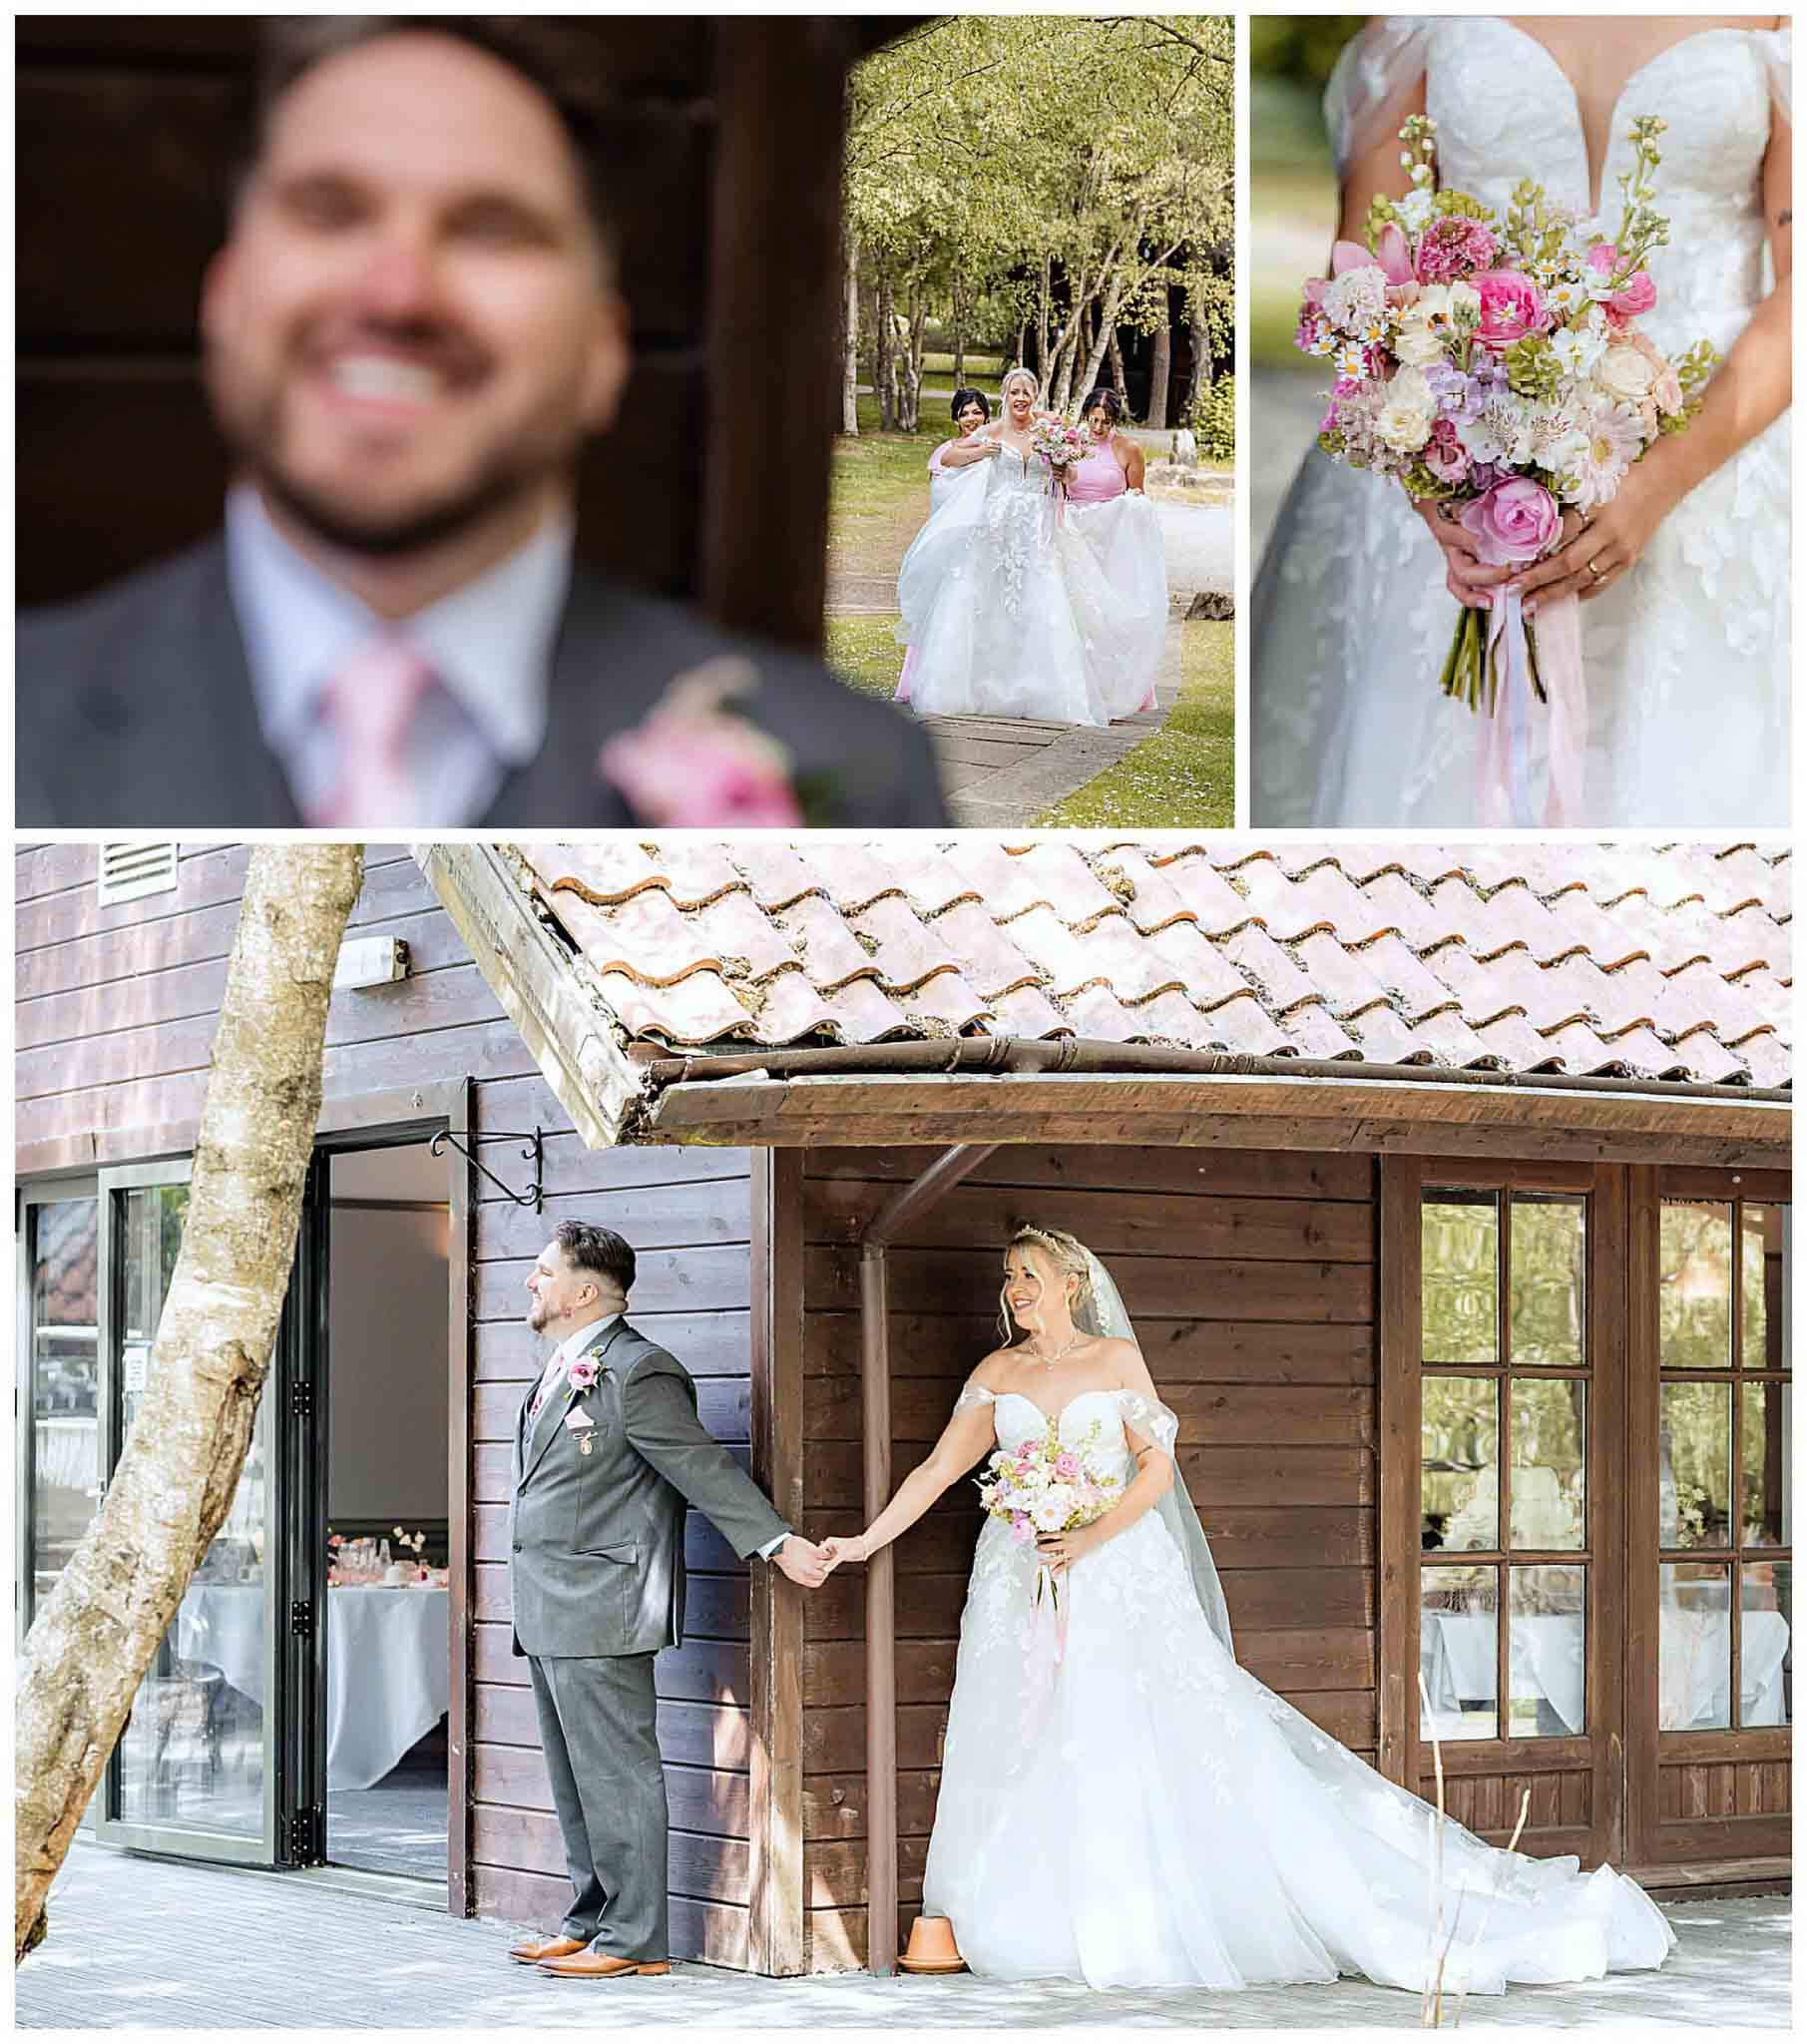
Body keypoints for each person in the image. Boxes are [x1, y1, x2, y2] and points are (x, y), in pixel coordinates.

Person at [16, 17, 946, 828]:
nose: (398, 293)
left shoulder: (858, 775)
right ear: (222, 298)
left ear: (602, 350)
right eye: (330, 212)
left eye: (489, 228)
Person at [818, 1226, 1677, 1993]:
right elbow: (937, 1471)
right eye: (1008, 1276)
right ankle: (1037, 1916)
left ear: (1071, 1283)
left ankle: (1144, 1917)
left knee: (1124, 1723)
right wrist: (862, 1542)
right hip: (1019, 1579)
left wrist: (1089, 1536)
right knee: (1021, 1725)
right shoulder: (996, 1374)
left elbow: (1154, 1470)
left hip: (1114, 1569)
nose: (1014, 1289)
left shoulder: (1113, 1361)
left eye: (1028, 1275)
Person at [1250, 16, 1791, 826]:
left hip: (1716, 433)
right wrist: (1431, 471)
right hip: (1454, 416)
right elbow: (1363, 272)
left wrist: (1654, 485)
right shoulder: (1415, 20)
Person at [507, 1223, 830, 1981]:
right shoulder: (559, 1367)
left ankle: (635, 1940)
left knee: (616, 1774)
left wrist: (776, 1541)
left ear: (585, 1291)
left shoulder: (638, 1370)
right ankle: (591, 1921)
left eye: (544, 1271)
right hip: (548, 1603)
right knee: (575, 1777)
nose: (531, 1282)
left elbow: (698, 1465)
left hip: (603, 1603)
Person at [894, 367, 1160, 726]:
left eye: (1026, 392)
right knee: (987, 602)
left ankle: (1040, 690)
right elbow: (948, 458)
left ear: (1035, 395)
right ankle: (979, 688)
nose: (1020, 398)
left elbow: (1072, 474)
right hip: (995, 529)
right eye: (1014, 391)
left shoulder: (1049, 431)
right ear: (1005, 394)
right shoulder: (991, 431)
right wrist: (980, 452)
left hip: (1038, 528)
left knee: (1042, 600)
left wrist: (1064, 472)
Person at [1064, 386, 1167, 715]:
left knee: (1108, 612)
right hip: (1073, 535)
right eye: (1093, 420)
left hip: (1110, 539)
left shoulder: (1128, 450)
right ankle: (1075, 684)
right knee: (1074, 610)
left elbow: (1138, 499)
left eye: (1105, 422)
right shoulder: (1070, 444)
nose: (1098, 428)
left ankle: (1116, 686)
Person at [895, 387, 991, 706]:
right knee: (941, 609)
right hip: (950, 544)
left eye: (977, 412)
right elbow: (945, 477)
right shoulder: (947, 451)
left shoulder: (997, 444)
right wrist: (983, 450)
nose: (971, 419)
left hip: (983, 543)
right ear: (955, 418)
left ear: (987, 415)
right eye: (964, 413)